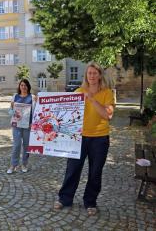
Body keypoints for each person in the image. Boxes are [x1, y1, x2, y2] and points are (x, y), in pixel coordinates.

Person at [54, 62, 115, 216]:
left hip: (100, 139)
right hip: (79, 138)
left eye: (95, 73)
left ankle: (90, 201)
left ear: (100, 75)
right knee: (72, 169)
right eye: (89, 73)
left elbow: (108, 115)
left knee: (95, 172)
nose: (92, 76)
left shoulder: (107, 93)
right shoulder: (79, 91)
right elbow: (64, 113)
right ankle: (65, 198)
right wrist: (41, 102)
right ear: (86, 76)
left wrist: (93, 99)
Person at [7, 79, 36, 174]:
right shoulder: (15, 96)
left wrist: (33, 122)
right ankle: (13, 165)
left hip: (28, 125)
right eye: (22, 85)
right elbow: (10, 112)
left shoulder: (32, 97)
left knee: (27, 146)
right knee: (17, 145)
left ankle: (24, 164)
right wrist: (11, 107)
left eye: (25, 85)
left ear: (28, 86)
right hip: (17, 125)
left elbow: (36, 112)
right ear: (19, 86)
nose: (23, 87)